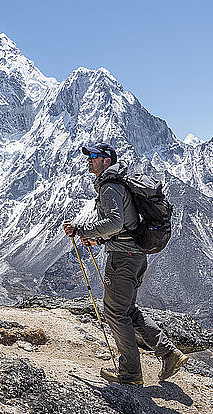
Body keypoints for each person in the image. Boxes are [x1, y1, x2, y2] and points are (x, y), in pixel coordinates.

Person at [63, 143, 188, 385]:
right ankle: (169, 353)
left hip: (123, 259)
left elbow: (115, 223)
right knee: (128, 310)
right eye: (90, 156)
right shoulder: (117, 184)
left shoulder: (110, 186)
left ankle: (130, 372)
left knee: (114, 312)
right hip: (134, 255)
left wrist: (82, 229)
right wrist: (98, 238)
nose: (89, 159)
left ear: (106, 161)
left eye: (95, 156)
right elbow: (124, 225)